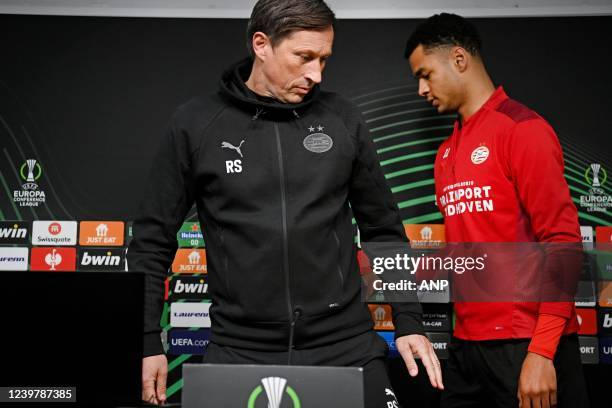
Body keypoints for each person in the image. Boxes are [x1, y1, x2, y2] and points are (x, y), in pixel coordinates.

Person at [128, 1, 443, 406]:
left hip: (345, 346)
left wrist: (409, 321)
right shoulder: (196, 124)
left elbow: (382, 229)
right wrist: (147, 339)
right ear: (262, 44)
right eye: (304, 57)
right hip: (239, 350)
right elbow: (152, 241)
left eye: (324, 60)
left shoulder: (342, 119)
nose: (316, 74)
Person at [404, 13, 588, 408]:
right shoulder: (446, 154)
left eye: (425, 74)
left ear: (458, 59)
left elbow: (563, 242)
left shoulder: (522, 129)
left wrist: (541, 353)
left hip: (527, 347)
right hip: (466, 350)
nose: (421, 89)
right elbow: (469, 253)